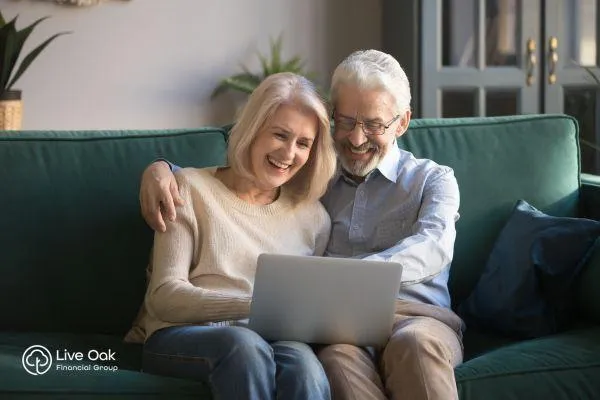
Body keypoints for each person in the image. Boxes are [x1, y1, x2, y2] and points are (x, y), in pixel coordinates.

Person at [140, 50, 464, 400]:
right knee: (335, 361)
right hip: (343, 330)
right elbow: (233, 186)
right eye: (347, 121)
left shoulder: (431, 180)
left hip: (414, 319)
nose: (356, 140)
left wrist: (359, 278)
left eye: (373, 125)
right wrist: (161, 169)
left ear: (401, 123)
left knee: (410, 345)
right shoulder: (317, 186)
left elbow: (435, 245)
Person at [125, 72, 337, 400]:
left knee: (305, 367)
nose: (289, 153)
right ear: (252, 130)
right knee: (244, 346)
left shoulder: (315, 219)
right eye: (280, 135)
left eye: (303, 143)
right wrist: (254, 306)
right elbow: (164, 296)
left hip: (269, 341)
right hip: (179, 336)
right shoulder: (188, 189)